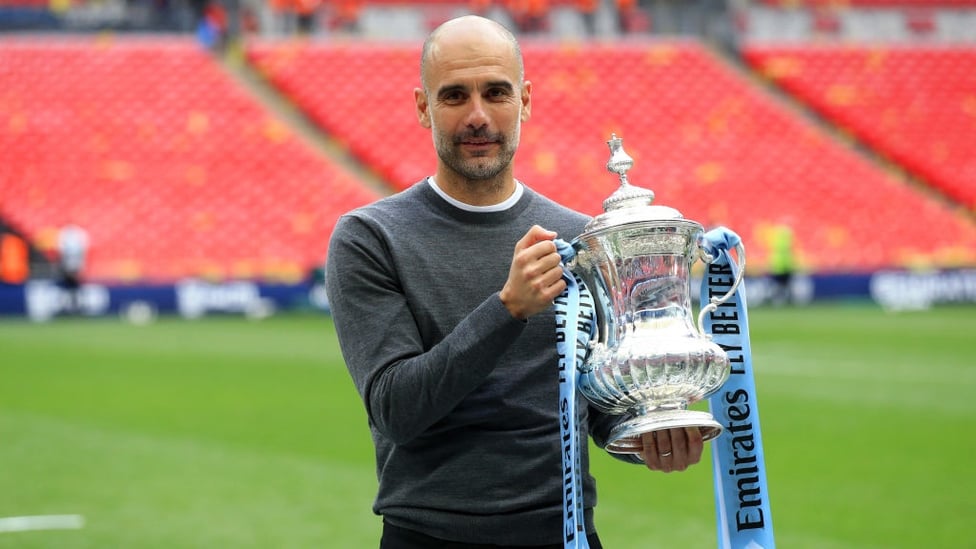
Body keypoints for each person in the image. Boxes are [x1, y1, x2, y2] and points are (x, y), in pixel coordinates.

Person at [325, 15, 704, 548]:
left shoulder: (582, 239)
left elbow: (594, 405)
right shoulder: (370, 237)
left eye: (496, 92)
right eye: (455, 96)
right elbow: (397, 410)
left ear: (524, 100)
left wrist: (651, 428)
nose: (478, 116)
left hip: (567, 532)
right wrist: (506, 309)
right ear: (422, 107)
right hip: (431, 535)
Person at [56, 223, 89, 313]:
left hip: (71, 268)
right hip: (68, 268)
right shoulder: (66, 237)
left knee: (74, 290)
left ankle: (75, 306)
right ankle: (68, 307)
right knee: (67, 289)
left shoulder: (74, 238)